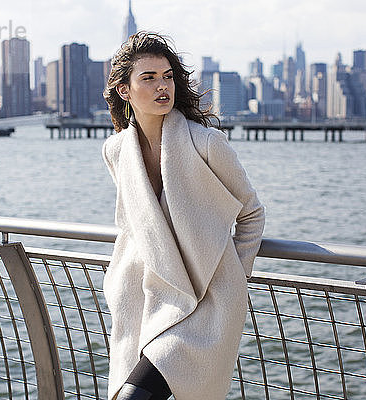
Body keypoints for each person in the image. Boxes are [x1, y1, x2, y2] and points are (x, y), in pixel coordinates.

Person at [101, 32, 265, 400]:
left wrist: (233, 275)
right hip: (145, 298)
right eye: (149, 78)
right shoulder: (116, 151)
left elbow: (252, 213)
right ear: (125, 90)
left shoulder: (206, 143)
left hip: (207, 303)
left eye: (168, 76)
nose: (163, 86)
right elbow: (135, 222)